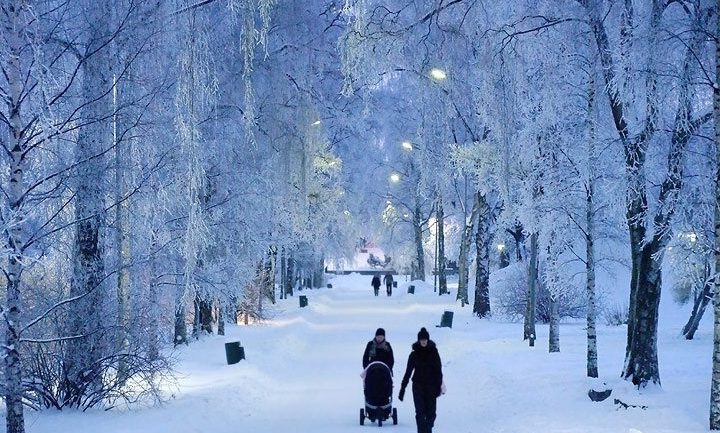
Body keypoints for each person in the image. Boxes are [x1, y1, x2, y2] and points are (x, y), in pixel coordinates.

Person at [398, 327, 445, 433]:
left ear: (427, 340)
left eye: (425, 339)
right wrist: (402, 389)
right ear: (419, 340)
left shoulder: (433, 352)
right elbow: (408, 372)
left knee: (431, 413)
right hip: (418, 385)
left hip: (431, 386)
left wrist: (439, 386)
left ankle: (428, 429)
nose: (423, 341)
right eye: (421, 340)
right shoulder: (414, 354)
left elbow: (438, 370)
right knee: (420, 412)